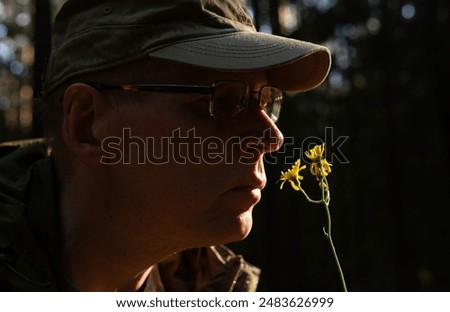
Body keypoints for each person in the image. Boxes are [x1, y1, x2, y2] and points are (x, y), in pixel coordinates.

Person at [0, 0, 331, 291]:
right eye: (224, 100)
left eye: (267, 101)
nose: (272, 138)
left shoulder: (210, 288)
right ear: (87, 125)